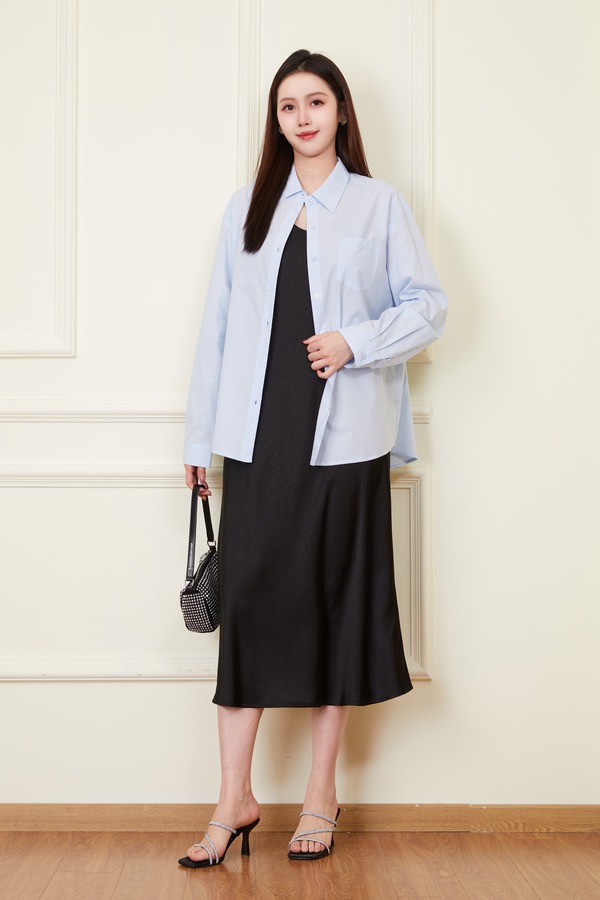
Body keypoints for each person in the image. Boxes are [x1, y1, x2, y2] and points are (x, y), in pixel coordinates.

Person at [179, 48, 447, 869]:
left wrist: (354, 341)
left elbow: (429, 307)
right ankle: (234, 798)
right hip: (260, 438)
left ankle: (320, 794)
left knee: (334, 606)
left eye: (316, 102)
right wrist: (197, 441)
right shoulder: (247, 208)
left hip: (346, 440)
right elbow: (217, 328)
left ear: (341, 112)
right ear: (277, 120)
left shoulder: (378, 204)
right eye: (288, 105)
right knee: (252, 609)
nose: (302, 117)